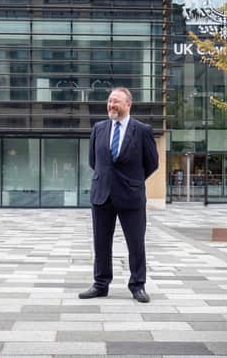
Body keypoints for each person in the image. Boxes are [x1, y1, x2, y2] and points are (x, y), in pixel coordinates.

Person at [79, 87, 158, 303]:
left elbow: (152, 163)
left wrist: (132, 182)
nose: (111, 105)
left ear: (128, 105)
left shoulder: (142, 130)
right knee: (101, 242)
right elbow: (93, 161)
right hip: (102, 194)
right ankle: (100, 284)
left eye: (116, 102)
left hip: (131, 196)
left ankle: (137, 285)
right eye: (110, 101)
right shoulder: (99, 128)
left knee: (136, 242)